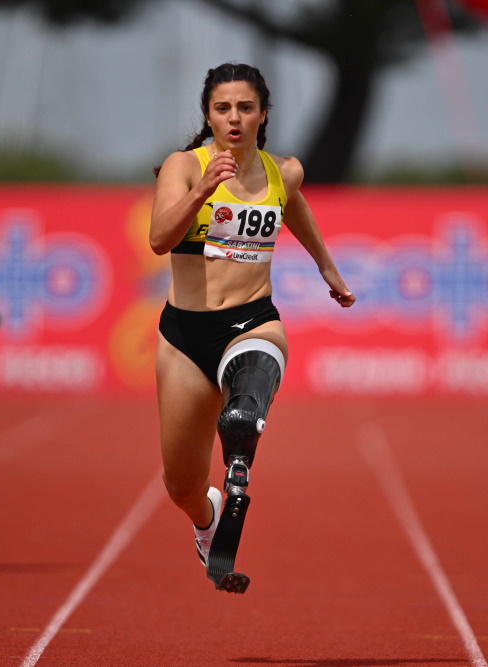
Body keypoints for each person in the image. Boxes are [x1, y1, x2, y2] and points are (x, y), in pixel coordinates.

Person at [149, 63, 355, 593]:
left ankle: (239, 462)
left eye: (245, 107)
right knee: (181, 484)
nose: (234, 118)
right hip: (184, 337)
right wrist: (202, 191)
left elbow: (295, 210)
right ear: (209, 116)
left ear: (263, 114)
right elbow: (158, 239)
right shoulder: (183, 166)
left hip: (251, 320)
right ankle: (206, 519)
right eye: (223, 108)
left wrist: (326, 267)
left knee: (244, 407)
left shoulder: (282, 172)